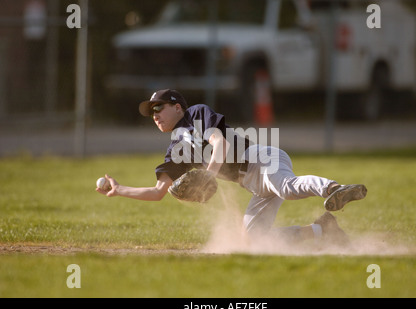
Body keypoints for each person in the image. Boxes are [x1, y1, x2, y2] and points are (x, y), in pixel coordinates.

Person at [96, 89, 367, 247]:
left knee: (287, 188)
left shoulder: (196, 114)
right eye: (150, 112)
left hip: (261, 159)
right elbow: (158, 192)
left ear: (177, 107)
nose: (154, 114)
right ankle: (324, 230)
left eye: (159, 107)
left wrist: (207, 176)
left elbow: (220, 143)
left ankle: (334, 188)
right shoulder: (175, 150)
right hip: (251, 183)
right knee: (254, 240)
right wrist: (120, 190)